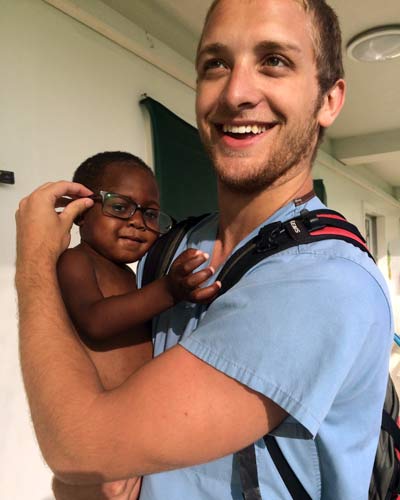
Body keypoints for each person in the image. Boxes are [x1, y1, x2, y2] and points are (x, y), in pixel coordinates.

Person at [15, 0, 393, 498]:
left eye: (274, 60)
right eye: (216, 63)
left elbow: (78, 445)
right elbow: (84, 468)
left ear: (329, 99)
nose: (236, 92)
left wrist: (32, 263)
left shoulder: (325, 280)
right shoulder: (171, 247)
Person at [53, 151, 219, 499]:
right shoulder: (76, 261)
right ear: (81, 209)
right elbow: (96, 321)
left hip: (136, 427)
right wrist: (169, 290)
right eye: (119, 206)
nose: (138, 222)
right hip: (104, 430)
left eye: (151, 213)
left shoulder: (132, 275)